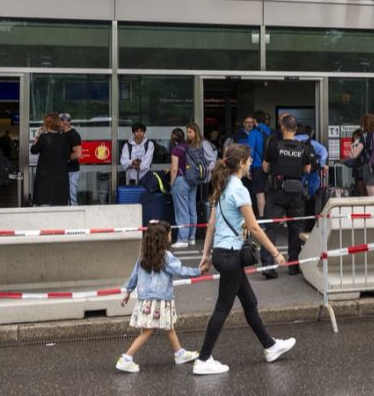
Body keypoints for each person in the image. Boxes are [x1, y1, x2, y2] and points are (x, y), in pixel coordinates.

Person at [194, 143, 296, 375]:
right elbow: (254, 227)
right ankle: (203, 358)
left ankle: (270, 346)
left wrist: (206, 255)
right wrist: (276, 253)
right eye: (250, 161)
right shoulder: (239, 189)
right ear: (241, 163)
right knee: (222, 308)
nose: (252, 164)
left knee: (249, 302)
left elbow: (211, 226)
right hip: (232, 255)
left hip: (223, 254)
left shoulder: (221, 185)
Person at [115, 220, 201, 373]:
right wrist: (199, 271)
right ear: (162, 238)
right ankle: (126, 358)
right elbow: (180, 271)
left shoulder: (143, 257)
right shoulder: (166, 257)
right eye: (169, 234)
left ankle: (179, 353)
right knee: (148, 331)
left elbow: (134, 275)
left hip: (146, 301)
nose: (171, 236)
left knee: (169, 327)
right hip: (161, 300)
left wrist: (128, 291)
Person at [262, 115, 315, 278]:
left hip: (277, 191)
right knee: (296, 229)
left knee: (271, 227)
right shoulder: (304, 148)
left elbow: (265, 168)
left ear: (283, 128)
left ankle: (268, 266)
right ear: (295, 129)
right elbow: (307, 169)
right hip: (296, 192)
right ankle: (293, 266)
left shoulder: (274, 145)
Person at [30, 113, 70, 206]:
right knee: (59, 203)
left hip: (45, 175)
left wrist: (37, 136)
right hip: (60, 175)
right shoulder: (64, 138)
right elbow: (67, 156)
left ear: (47, 124)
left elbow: (33, 150)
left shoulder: (44, 138)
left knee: (45, 203)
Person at [169, 127, 195, 248]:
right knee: (191, 209)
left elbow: (174, 169)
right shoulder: (189, 147)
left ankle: (182, 239)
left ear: (174, 137)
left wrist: (171, 183)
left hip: (181, 180)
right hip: (192, 181)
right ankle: (191, 237)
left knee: (182, 211)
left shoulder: (176, 150)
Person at [350, 114, 374, 196]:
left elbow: (354, 155)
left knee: (371, 189)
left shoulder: (364, 137)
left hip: (369, 167)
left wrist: (352, 146)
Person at [294, 123, 328, 200]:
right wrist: (322, 164)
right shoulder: (310, 141)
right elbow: (324, 151)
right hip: (312, 171)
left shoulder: (291, 140)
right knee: (312, 197)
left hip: (296, 173)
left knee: (296, 196)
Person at [59, 113, 82, 206]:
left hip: (72, 170)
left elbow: (78, 153)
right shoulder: (62, 134)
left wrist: (65, 158)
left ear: (64, 122)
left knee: (71, 197)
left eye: (59, 121)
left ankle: (75, 217)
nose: (57, 123)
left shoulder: (73, 134)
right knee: (65, 197)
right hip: (65, 170)